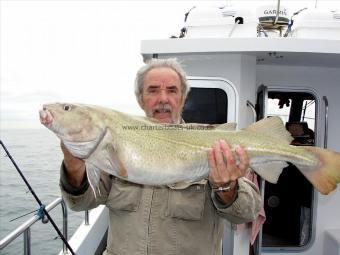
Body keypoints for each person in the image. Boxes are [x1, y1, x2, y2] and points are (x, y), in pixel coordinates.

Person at [58, 58, 261, 255]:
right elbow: (81, 203)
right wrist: (74, 167)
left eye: (172, 90)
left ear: (182, 99)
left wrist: (227, 188)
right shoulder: (115, 145)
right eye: (153, 90)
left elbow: (247, 212)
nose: (163, 98)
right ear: (140, 99)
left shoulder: (212, 144)